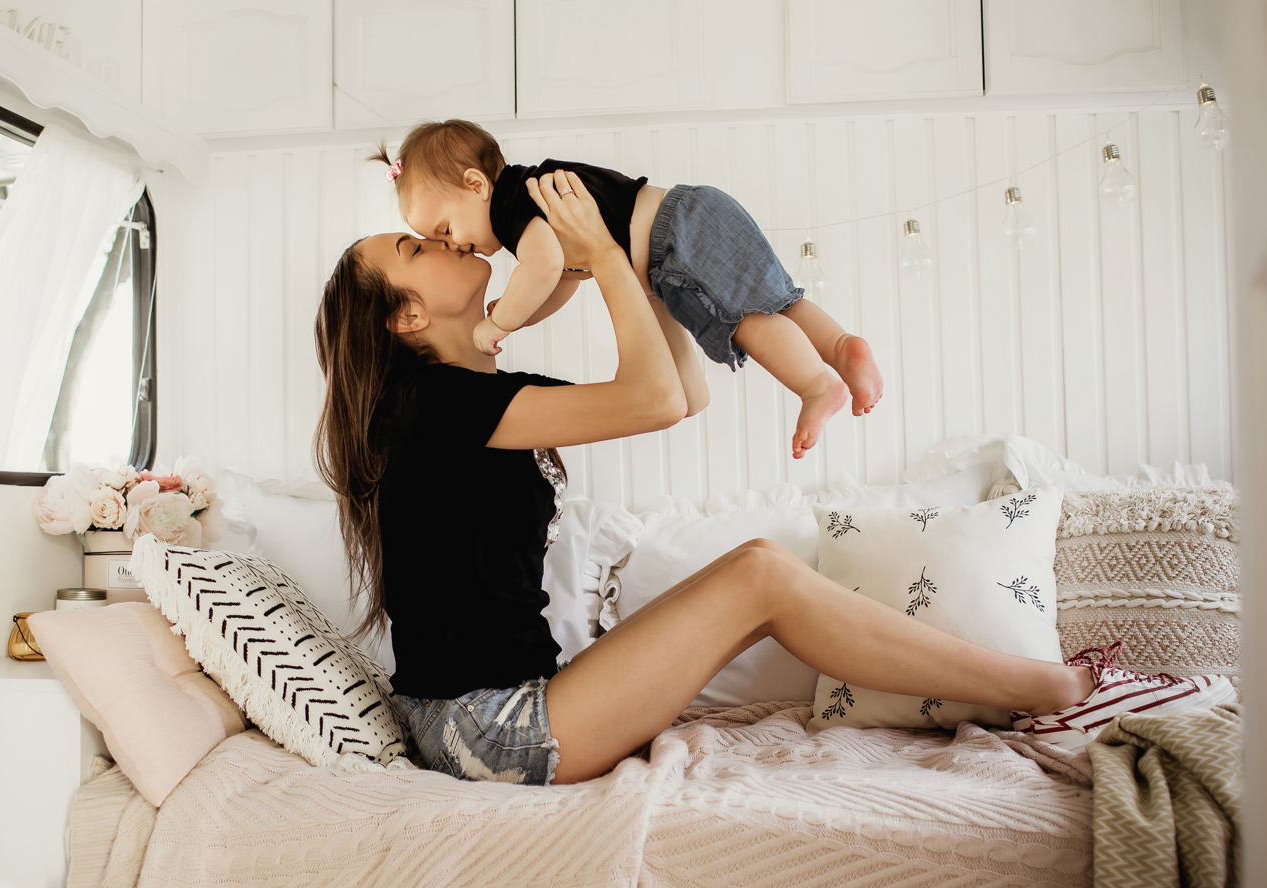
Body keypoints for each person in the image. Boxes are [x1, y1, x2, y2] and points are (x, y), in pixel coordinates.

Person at [313, 169, 1234, 786]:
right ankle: (1054, 693)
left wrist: (631, 264)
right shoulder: (428, 407)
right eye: (410, 249)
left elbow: (680, 395)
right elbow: (652, 401)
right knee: (760, 574)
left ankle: (1041, 690)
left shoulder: (475, 401)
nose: (433, 240)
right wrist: (596, 257)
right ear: (402, 317)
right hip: (488, 728)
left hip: (504, 710)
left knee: (759, 571)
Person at [372, 119, 883, 460]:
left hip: (669, 241)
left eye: (440, 232)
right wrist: (526, 313)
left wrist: (500, 321)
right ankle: (841, 347)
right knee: (774, 300)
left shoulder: (513, 209)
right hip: (690, 214)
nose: (451, 245)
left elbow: (548, 265)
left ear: (476, 185)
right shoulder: (531, 200)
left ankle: (817, 384)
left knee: (745, 320)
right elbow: (567, 278)